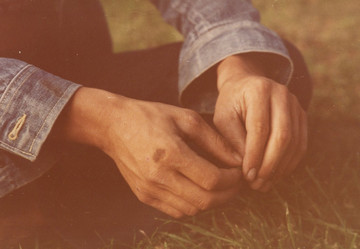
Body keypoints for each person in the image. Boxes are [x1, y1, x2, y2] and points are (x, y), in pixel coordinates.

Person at [0, 0, 312, 247]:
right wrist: (105, 121)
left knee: (271, 78)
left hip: (81, 80)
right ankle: (38, 209)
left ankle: (65, 198)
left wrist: (237, 68)